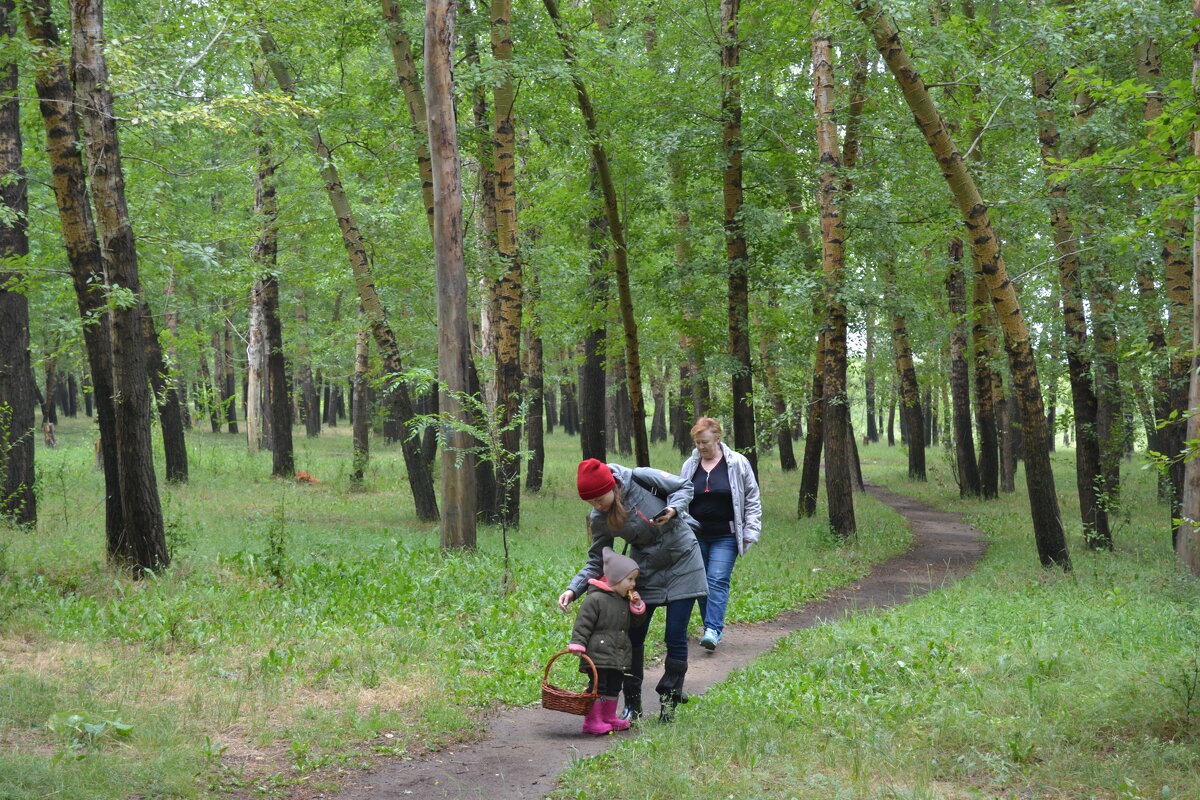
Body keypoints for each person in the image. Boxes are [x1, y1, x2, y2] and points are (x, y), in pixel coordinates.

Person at [559, 458, 708, 722]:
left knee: (675, 635)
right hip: (645, 571)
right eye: (590, 502)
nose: (596, 505)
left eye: (599, 498)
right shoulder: (600, 517)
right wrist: (573, 589)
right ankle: (633, 703)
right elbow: (597, 560)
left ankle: (669, 701)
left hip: (683, 560)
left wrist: (673, 509)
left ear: (612, 486)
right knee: (633, 636)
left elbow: (685, 485)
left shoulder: (639, 478)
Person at [680, 417, 762, 652]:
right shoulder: (690, 465)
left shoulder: (737, 463)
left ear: (717, 438)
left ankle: (713, 630)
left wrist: (751, 531)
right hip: (696, 535)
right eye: (697, 443)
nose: (701, 447)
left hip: (726, 535)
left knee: (717, 579)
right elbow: (680, 497)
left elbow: (752, 499)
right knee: (702, 583)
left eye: (704, 442)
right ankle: (710, 627)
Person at [568, 547, 647, 735]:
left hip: (617, 653)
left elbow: (635, 623)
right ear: (616, 579)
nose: (633, 584)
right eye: (630, 579)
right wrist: (578, 644)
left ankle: (609, 717)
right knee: (598, 686)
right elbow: (583, 624)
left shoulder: (623, 600)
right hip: (597, 654)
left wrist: (636, 606)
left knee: (614, 685)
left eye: (634, 579)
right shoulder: (595, 599)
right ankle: (592, 721)